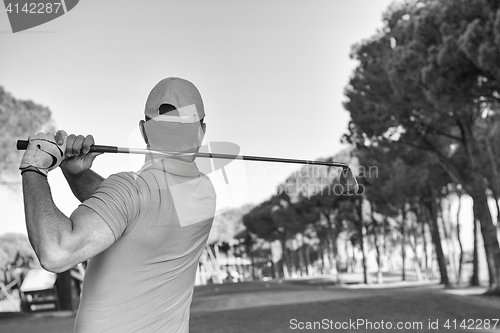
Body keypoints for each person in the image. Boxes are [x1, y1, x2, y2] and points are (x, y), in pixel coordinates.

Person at [20, 77, 216, 332]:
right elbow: (134, 213)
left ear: (144, 130)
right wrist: (77, 175)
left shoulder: (130, 190)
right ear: (202, 129)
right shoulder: (204, 193)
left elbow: (56, 253)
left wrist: (34, 168)